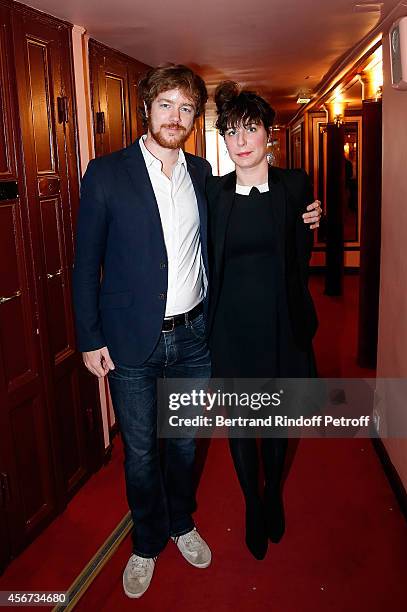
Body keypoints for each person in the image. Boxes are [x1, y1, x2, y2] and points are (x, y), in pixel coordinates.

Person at [72, 65, 213, 599]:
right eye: (166, 105)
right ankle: (147, 542)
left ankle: (182, 523)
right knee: (141, 451)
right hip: (132, 341)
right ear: (147, 108)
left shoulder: (201, 173)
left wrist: (303, 213)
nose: (175, 117)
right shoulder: (107, 174)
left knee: (182, 445)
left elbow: (250, 209)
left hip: (194, 338)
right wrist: (89, 337)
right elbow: (87, 264)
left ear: (194, 117)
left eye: (186, 108)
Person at [206, 81, 320, 560]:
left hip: (280, 324)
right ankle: (253, 503)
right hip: (231, 329)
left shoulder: (296, 185)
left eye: (250, 129)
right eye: (231, 132)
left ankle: (273, 491)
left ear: (268, 134)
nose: (240, 140)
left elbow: (302, 252)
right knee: (240, 425)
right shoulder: (211, 193)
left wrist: (317, 218)